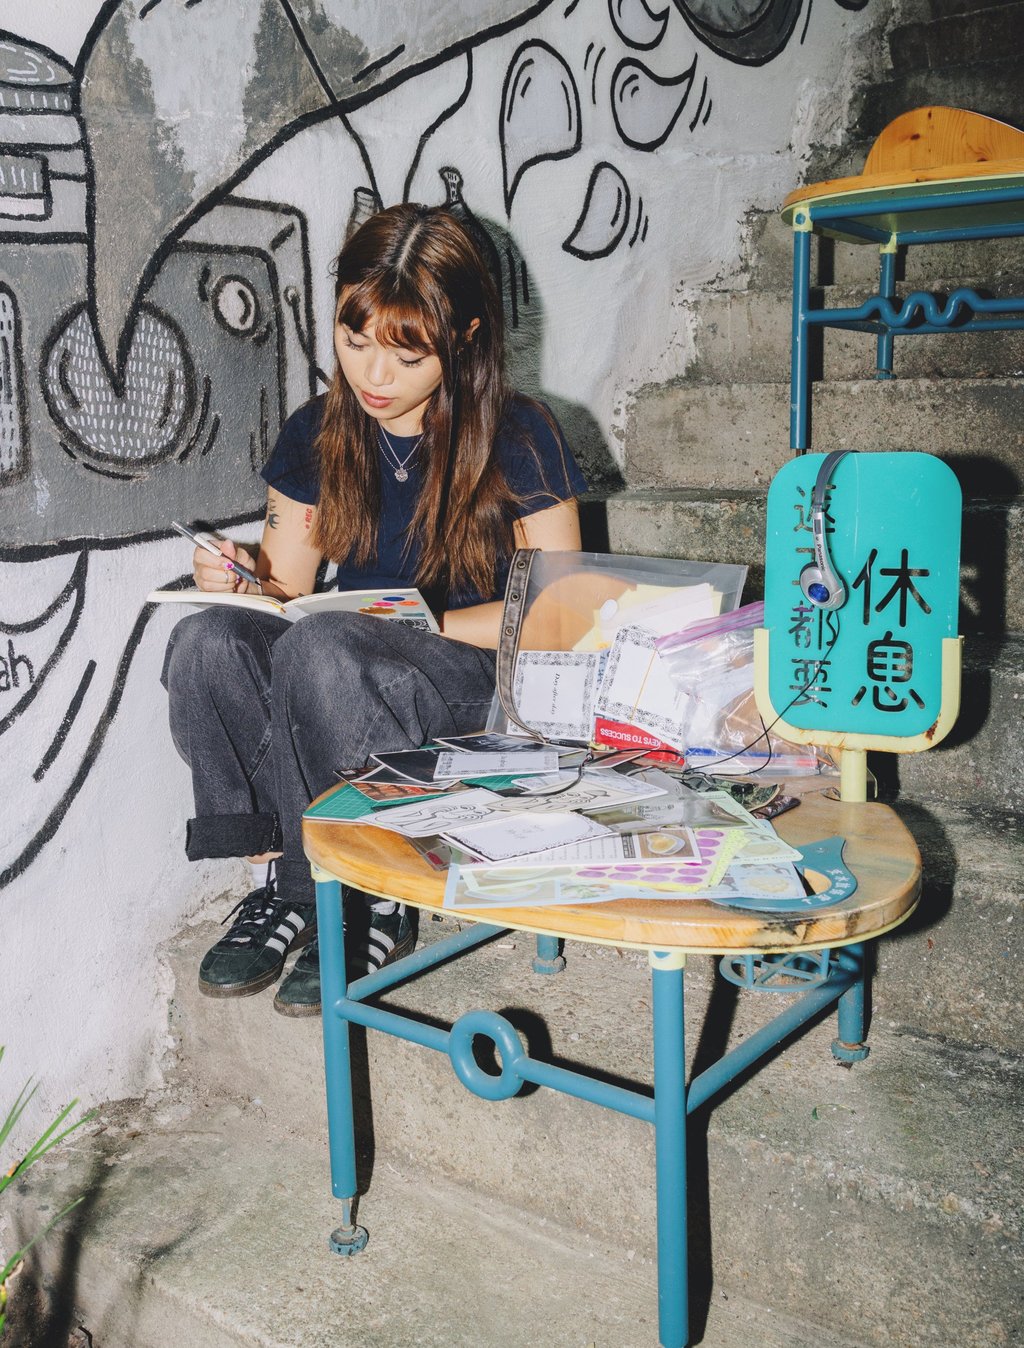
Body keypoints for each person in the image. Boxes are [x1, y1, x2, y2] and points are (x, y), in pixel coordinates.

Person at [161, 203, 587, 1017]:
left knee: (324, 646)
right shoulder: (318, 433)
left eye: (404, 352)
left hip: (465, 682)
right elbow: (285, 590)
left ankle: (365, 893)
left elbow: (561, 616)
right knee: (207, 639)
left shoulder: (519, 434)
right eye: (355, 343)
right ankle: (277, 877)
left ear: (463, 337)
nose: (373, 376)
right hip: (333, 668)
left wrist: (409, 626)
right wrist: (243, 576)